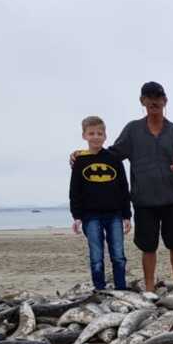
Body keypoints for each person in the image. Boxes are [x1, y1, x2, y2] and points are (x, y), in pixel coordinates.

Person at [106, 82, 173, 292]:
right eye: (149, 97)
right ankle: (149, 288)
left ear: (165, 101)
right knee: (148, 246)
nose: (154, 101)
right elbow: (113, 155)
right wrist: (86, 156)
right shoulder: (132, 130)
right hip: (144, 201)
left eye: (158, 97)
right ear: (142, 101)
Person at [69, 115, 132, 291]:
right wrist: (77, 216)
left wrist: (127, 215)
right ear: (84, 136)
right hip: (91, 216)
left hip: (114, 215)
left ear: (105, 136)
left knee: (118, 255)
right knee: (96, 256)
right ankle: (100, 289)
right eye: (91, 133)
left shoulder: (114, 159)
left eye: (100, 133)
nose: (96, 136)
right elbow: (75, 190)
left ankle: (121, 289)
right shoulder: (80, 161)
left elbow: (123, 188)